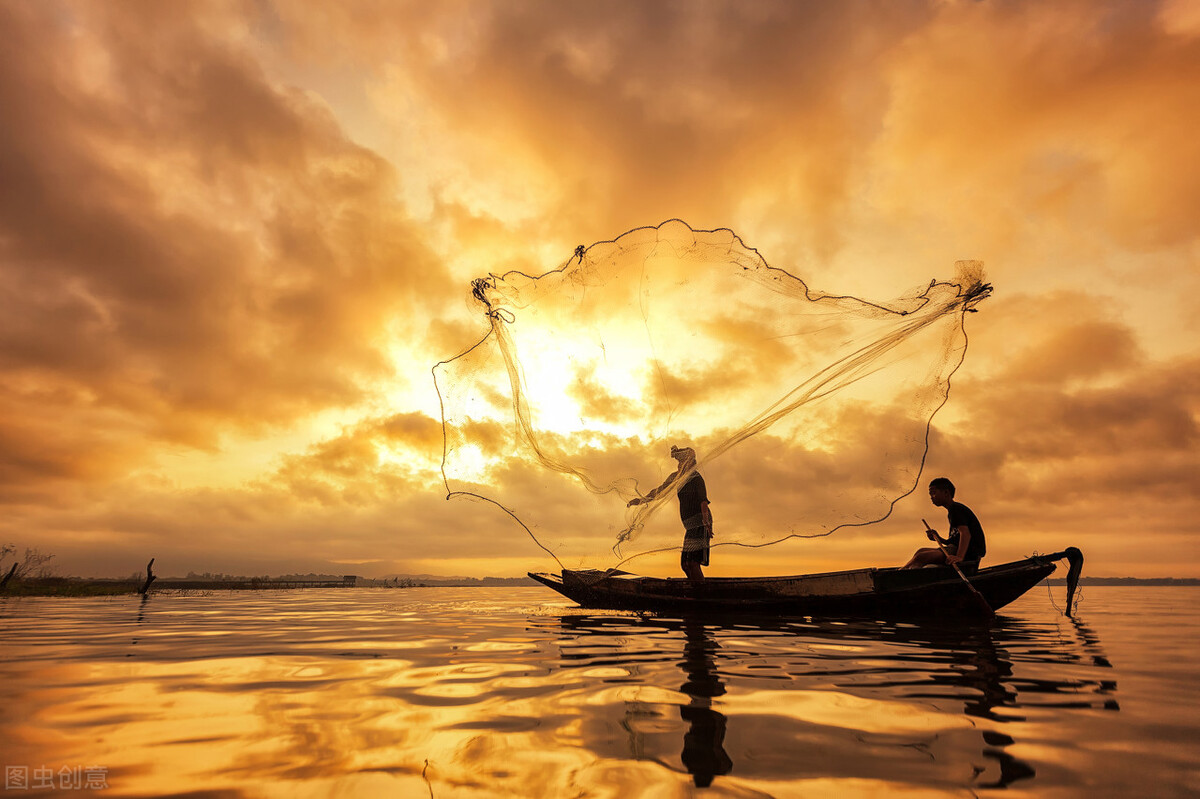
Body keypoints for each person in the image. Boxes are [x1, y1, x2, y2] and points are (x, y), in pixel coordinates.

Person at [628, 445, 713, 580]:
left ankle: (699, 593)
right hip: (690, 525)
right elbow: (659, 491)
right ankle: (693, 588)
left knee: (692, 563)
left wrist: (706, 521)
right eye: (679, 462)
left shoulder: (696, 478)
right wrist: (640, 500)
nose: (679, 465)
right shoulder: (676, 478)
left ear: (689, 463)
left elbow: (703, 501)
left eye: (682, 462)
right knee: (685, 564)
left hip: (700, 521)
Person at [902, 477, 987, 570]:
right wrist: (939, 538)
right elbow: (954, 540)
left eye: (933, 493)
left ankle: (899, 573)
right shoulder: (952, 511)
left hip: (969, 552)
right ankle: (903, 571)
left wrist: (959, 557)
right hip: (955, 549)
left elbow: (965, 534)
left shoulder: (956, 509)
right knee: (920, 551)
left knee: (921, 557)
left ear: (946, 493)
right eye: (930, 494)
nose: (931, 497)